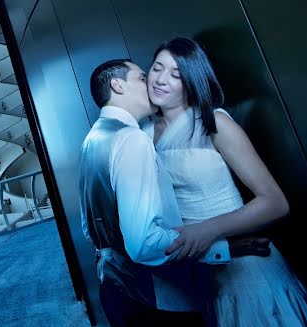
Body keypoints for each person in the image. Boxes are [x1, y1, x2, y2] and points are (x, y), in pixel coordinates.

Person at [144, 37, 307, 326]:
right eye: (156, 68)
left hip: (247, 266)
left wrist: (207, 229)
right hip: (202, 271)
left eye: (175, 75)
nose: (161, 80)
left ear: (192, 81)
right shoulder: (143, 132)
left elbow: (275, 203)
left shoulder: (214, 123)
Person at [80, 59, 268, 326]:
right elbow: (143, 243)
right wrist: (224, 247)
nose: (152, 83)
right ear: (118, 85)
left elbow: (90, 228)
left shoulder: (92, 139)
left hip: (113, 289)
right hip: (148, 296)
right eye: (142, 78)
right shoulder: (131, 139)